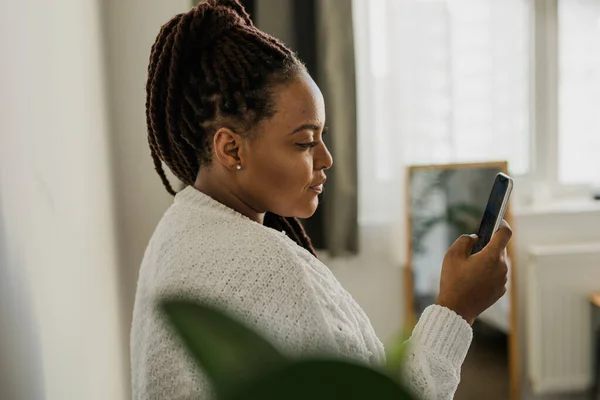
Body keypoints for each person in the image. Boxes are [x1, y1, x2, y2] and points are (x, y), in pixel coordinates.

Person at [130, 1, 512, 399]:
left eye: (322, 137)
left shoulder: (174, 234)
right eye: (304, 142)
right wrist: (457, 308)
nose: (326, 159)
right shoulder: (270, 271)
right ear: (231, 149)